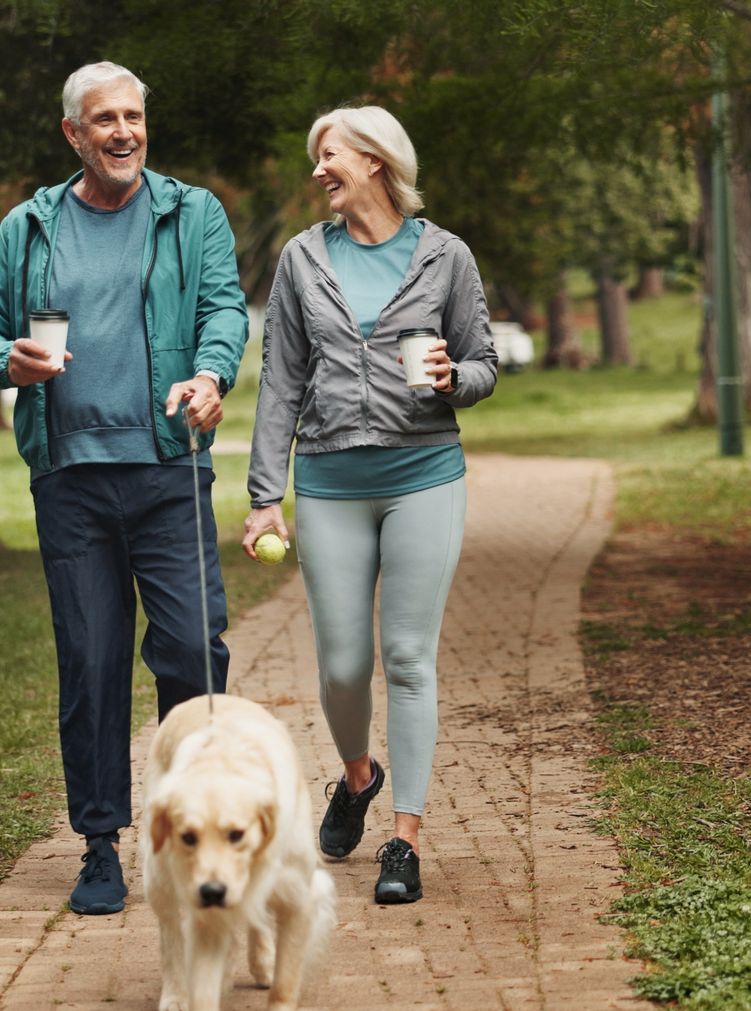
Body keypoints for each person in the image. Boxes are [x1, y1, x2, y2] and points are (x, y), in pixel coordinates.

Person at [0, 61, 249, 916]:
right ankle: (99, 844)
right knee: (90, 663)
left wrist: (210, 372)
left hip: (168, 468)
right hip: (71, 479)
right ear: (73, 135)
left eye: (133, 116)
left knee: (195, 653)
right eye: (104, 120)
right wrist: (4, 360)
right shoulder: (30, 226)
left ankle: (197, 831)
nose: (123, 131)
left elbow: (225, 310)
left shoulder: (190, 212)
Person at [242, 106, 497, 904]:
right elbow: (281, 379)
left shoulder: (446, 256)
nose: (318, 169)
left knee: (410, 658)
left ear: (377, 161)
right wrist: (263, 498)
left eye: (329, 154)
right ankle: (358, 774)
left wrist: (460, 378)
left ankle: (404, 837)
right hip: (329, 483)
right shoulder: (301, 259)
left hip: (424, 473)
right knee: (344, 664)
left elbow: (484, 362)